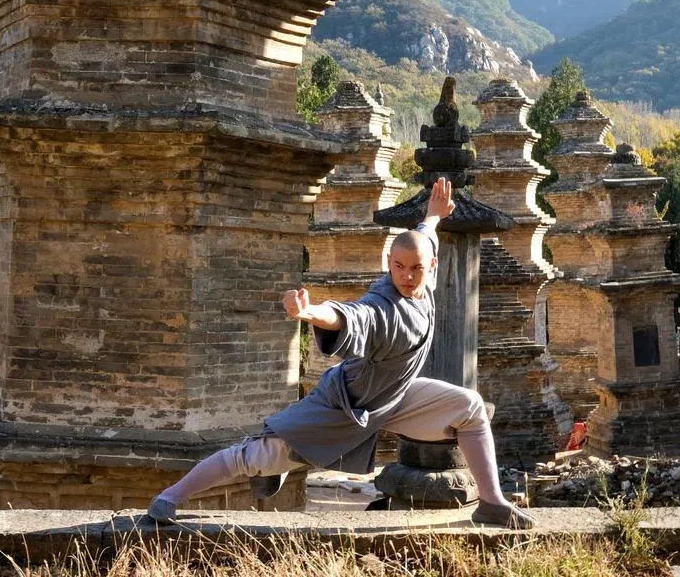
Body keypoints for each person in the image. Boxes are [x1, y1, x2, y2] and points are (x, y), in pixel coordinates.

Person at [148, 177, 535, 528]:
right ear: (389, 264)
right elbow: (347, 315)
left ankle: (491, 502)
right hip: (347, 403)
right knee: (256, 455)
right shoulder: (383, 307)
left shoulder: (423, 269)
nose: (406, 275)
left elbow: (424, 234)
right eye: (398, 267)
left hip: (395, 396)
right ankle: (170, 496)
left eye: (415, 268)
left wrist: (433, 216)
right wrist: (308, 312)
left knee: (469, 406)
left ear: (431, 266)